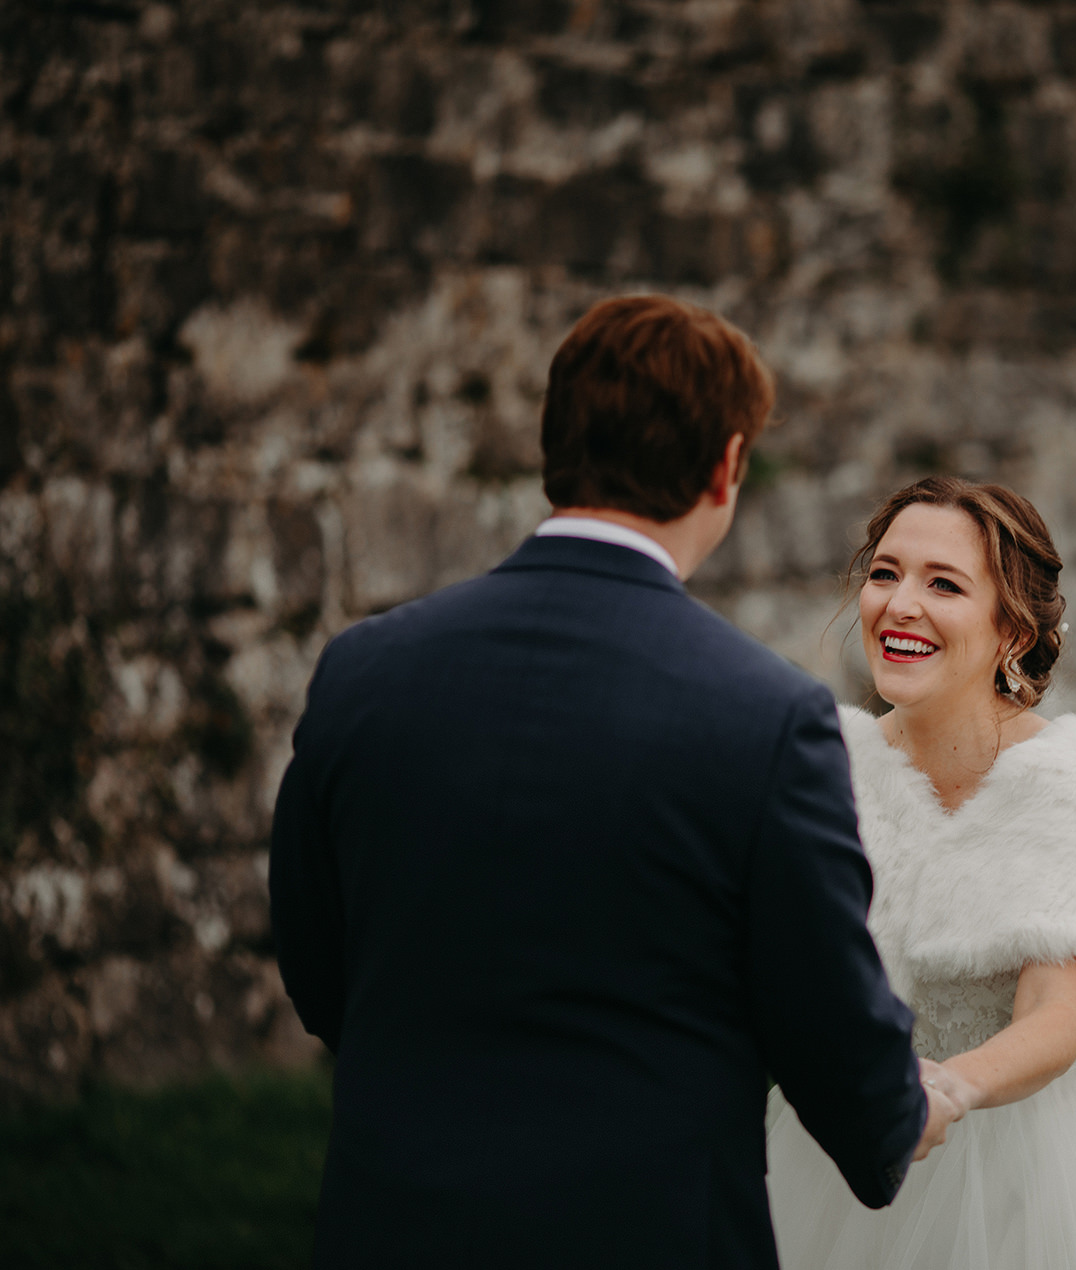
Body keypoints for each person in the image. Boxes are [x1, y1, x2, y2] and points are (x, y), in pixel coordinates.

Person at [270, 295, 959, 1269]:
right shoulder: (763, 715)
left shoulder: (366, 669)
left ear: (556, 441)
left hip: (394, 1220)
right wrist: (895, 1113)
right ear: (725, 466)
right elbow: (824, 1012)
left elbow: (316, 959)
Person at [764, 476, 1076, 1269]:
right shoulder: (824, 768)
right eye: (884, 572)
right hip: (839, 1161)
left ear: (1012, 631)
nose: (900, 604)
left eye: (943, 584)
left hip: (1039, 1173)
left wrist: (941, 1093)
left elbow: (1054, 1016)